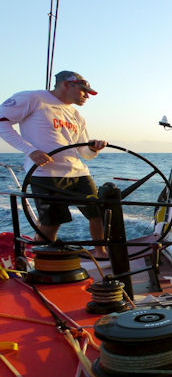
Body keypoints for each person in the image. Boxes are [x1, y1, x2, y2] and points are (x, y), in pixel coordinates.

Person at [0, 71, 107, 254]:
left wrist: (93, 149)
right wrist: (30, 151)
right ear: (67, 84)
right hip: (45, 174)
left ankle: (101, 253)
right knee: (51, 221)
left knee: (98, 213)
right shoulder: (33, 98)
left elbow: (84, 153)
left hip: (78, 173)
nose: (87, 96)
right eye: (83, 91)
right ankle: (42, 261)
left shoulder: (77, 116)